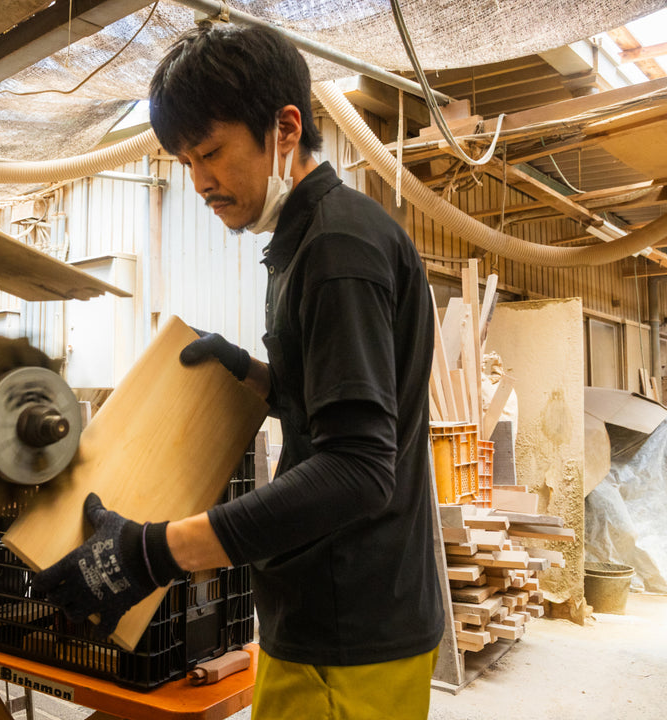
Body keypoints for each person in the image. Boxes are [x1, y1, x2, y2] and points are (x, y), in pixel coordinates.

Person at [33, 21, 444, 718]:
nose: (200, 181)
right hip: (322, 610)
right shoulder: (306, 240)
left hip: (349, 631)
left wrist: (156, 552)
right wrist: (251, 373)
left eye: (211, 152)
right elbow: (325, 407)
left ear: (285, 128)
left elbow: (357, 468)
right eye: (185, 162)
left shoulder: (337, 249)